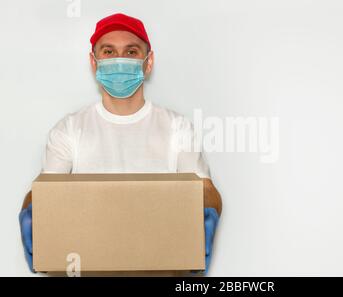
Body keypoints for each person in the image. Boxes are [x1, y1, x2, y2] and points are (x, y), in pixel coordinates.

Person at [18, 13, 222, 275]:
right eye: (108, 51)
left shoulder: (177, 128)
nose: (119, 60)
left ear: (148, 63)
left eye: (131, 51)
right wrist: (31, 209)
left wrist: (208, 207)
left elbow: (205, 188)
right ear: (94, 62)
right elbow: (46, 188)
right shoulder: (69, 129)